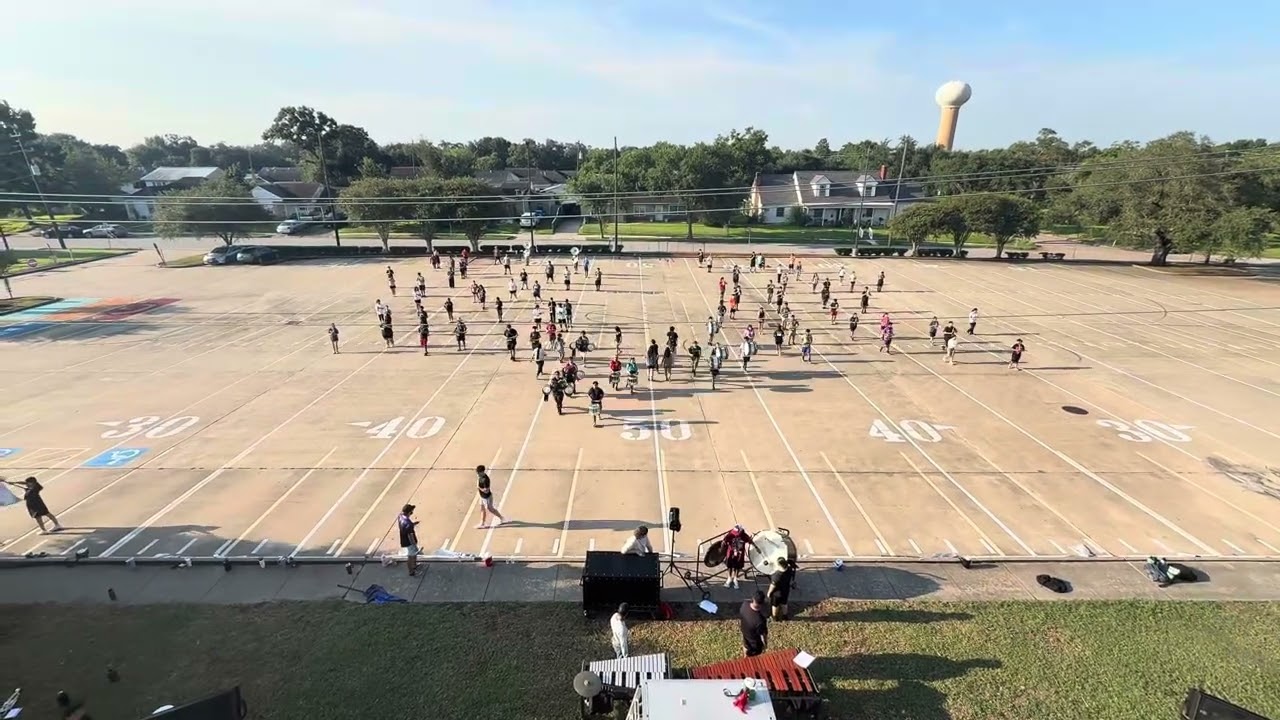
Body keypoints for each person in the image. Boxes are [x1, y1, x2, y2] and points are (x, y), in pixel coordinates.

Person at [738, 592, 768, 657]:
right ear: (762, 603)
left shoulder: (744, 605)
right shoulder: (760, 620)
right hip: (754, 643)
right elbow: (763, 635)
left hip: (745, 634)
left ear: (753, 599)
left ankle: (745, 657)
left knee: (746, 646)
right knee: (754, 658)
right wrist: (765, 644)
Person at [396, 504, 420, 576]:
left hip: (404, 539)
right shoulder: (408, 524)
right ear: (409, 512)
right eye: (411, 512)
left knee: (413, 554)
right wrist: (414, 544)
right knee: (411, 556)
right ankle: (411, 571)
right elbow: (410, 536)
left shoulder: (400, 516)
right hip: (409, 542)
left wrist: (413, 524)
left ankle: (414, 565)